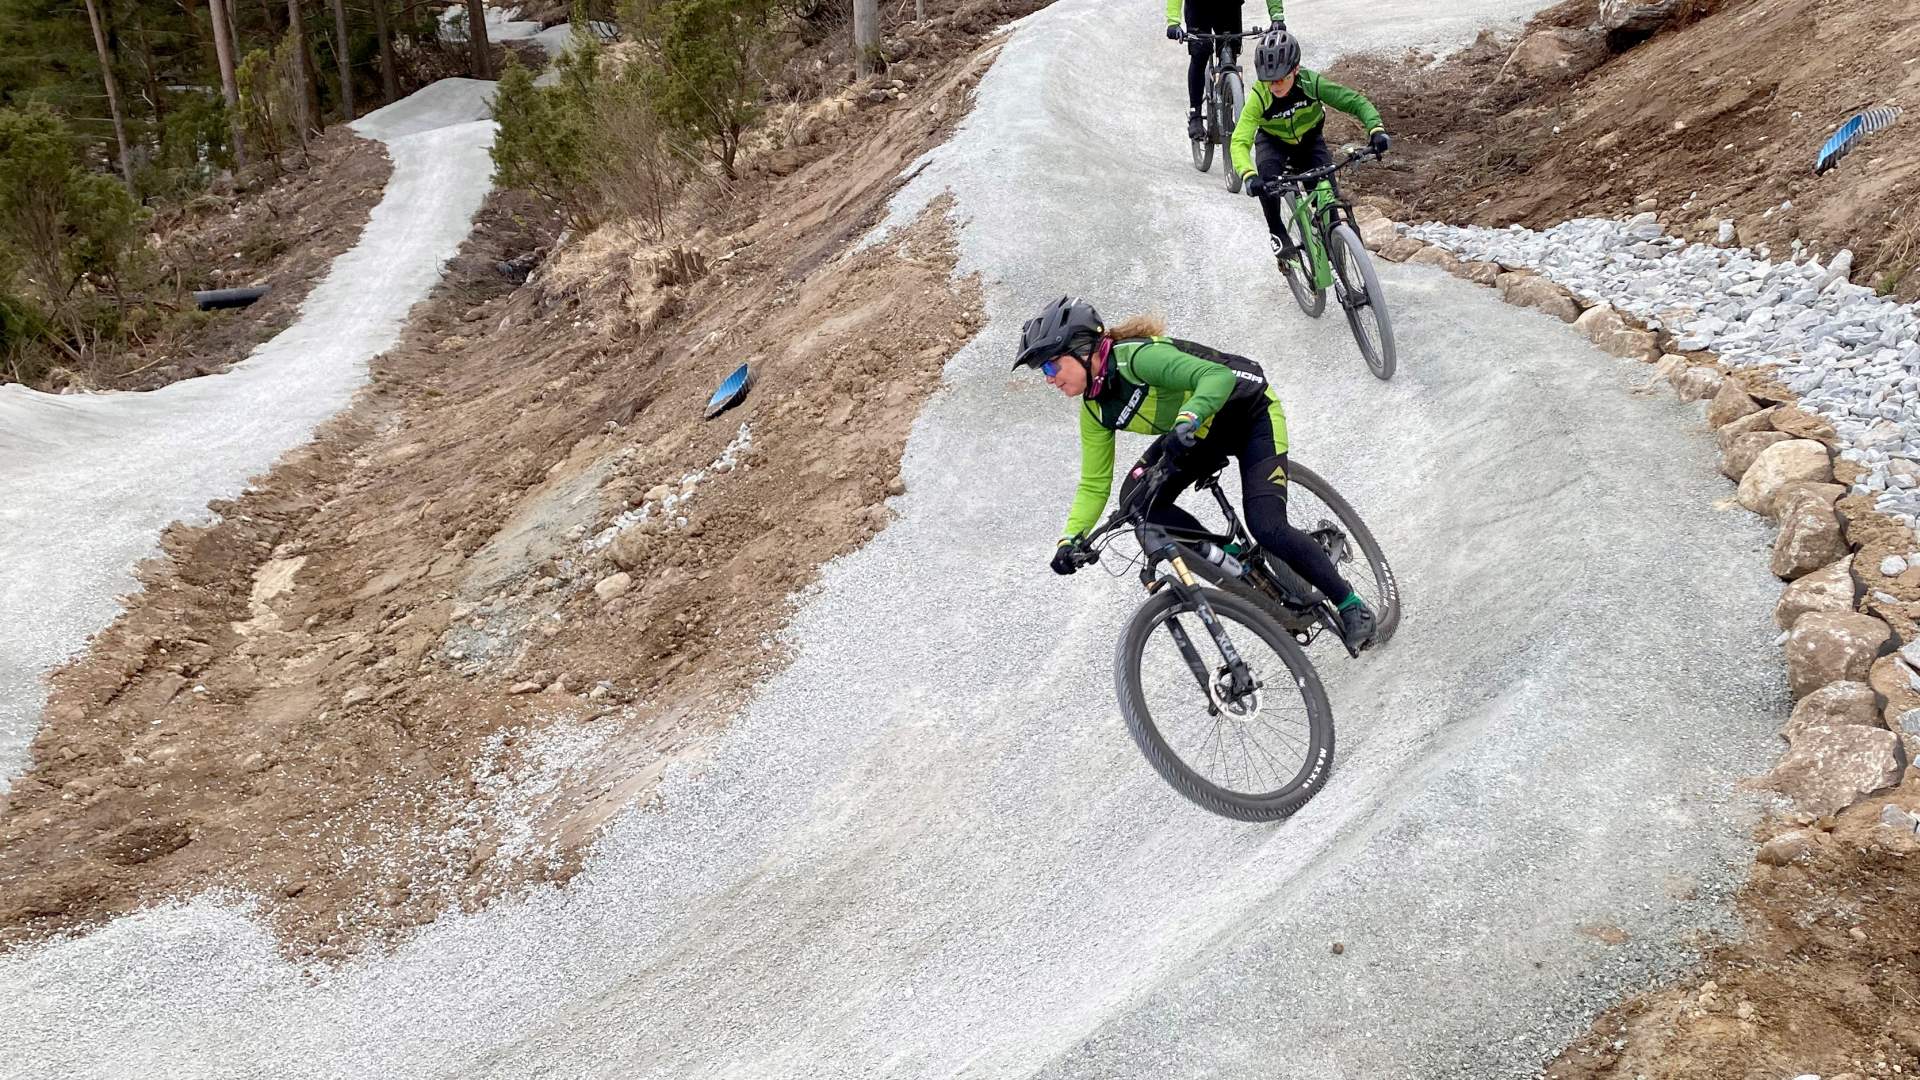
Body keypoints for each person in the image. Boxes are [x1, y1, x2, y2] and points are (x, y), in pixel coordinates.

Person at [1013, 296, 1377, 650]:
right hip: (1198, 434)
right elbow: (1094, 483)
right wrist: (1071, 539)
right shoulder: (1095, 411)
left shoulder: (1138, 358)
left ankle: (1351, 605)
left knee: (1267, 525)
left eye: (1050, 366)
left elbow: (1215, 376)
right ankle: (1230, 554)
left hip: (1249, 414)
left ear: (1082, 349)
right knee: (1137, 504)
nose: (1049, 379)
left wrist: (1189, 416)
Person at [1230, 28, 1390, 254]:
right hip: (1273, 142)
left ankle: (1336, 252)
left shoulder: (1310, 82)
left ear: (1295, 69)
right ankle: (1277, 232)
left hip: (1309, 140)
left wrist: (1376, 129)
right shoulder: (1260, 96)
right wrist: (1248, 174)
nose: (1274, 86)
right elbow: (1239, 140)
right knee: (1266, 178)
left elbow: (1355, 102)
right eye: (1268, 80)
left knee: (1329, 205)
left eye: (1280, 79)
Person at [1166, 0, 1288, 142]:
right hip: (1198, 7)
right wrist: (1173, 22)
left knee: (1231, 49)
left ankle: (1229, 105)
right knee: (1200, 52)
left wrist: (1277, 17)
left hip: (1229, 6)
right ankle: (1195, 114)